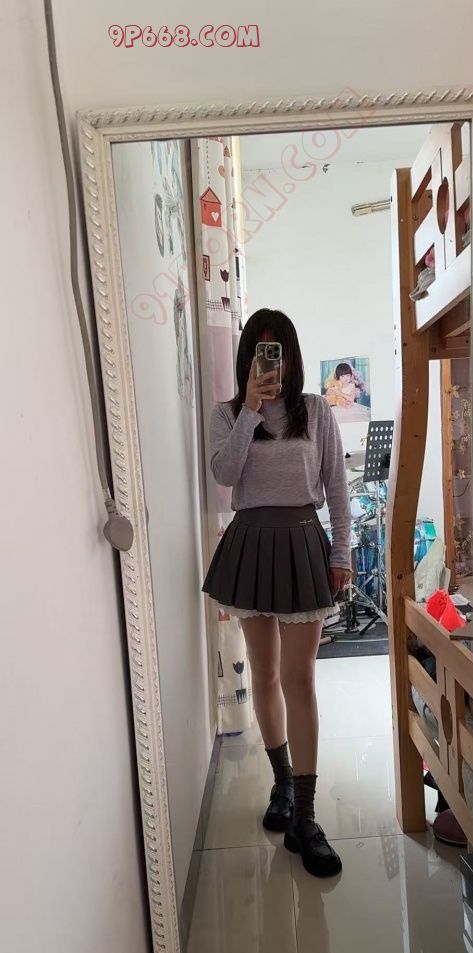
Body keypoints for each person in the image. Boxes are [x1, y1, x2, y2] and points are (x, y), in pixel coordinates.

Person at [203, 308, 352, 878]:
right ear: (248, 359)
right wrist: (249, 409)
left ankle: (306, 818)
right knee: (263, 675)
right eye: (261, 351)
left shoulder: (316, 411)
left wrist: (341, 553)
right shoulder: (226, 414)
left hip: (301, 542)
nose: (271, 363)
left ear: (291, 356)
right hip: (250, 543)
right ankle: (282, 784)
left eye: (279, 351)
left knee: (300, 679)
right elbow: (225, 475)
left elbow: (336, 486)